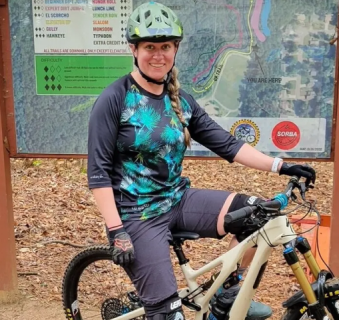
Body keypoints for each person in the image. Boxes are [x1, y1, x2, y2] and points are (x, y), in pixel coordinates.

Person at [87, 2, 316, 320]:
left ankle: (226, 295)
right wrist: (116, 231)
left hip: (178, 200)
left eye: (165, 46)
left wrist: (281, 165)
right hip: (137, 216)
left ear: (175, 49)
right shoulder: (114, 99)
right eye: (149, 47)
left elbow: (227, 144)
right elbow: (98, 174)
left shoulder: (180, 100)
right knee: (169, 314)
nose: (158, 55)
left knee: (260, 218)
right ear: (133, 50)